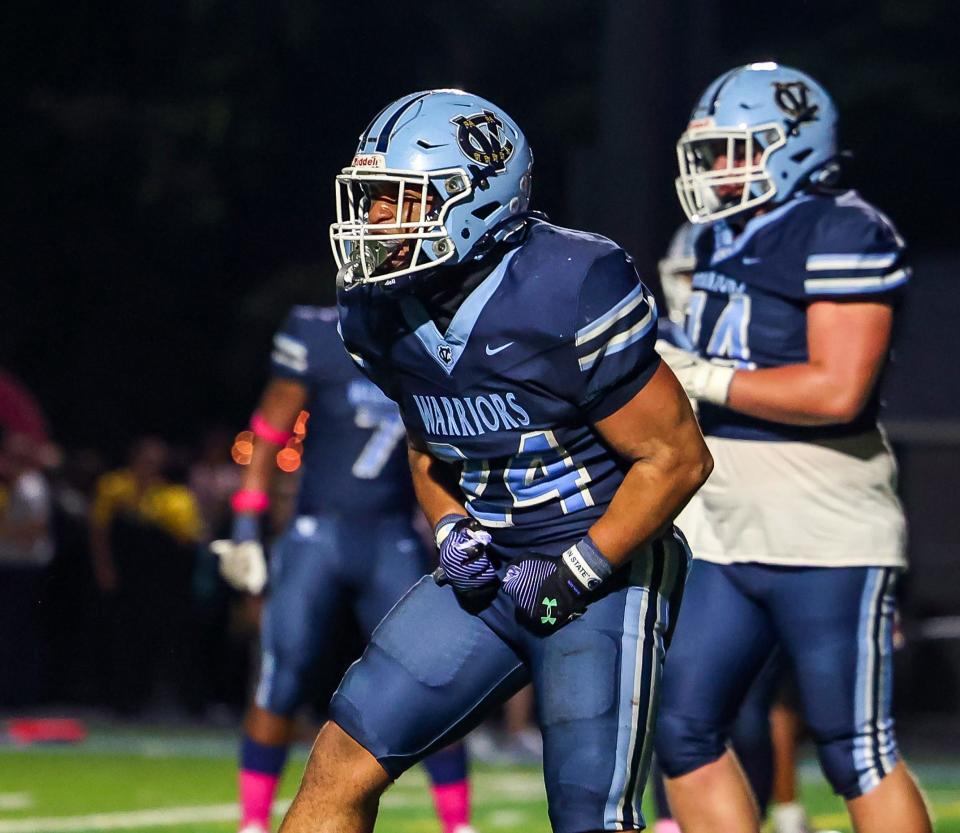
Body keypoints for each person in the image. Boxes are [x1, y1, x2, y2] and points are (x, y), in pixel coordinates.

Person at [279, 89, 712, 833]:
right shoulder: (374, 308)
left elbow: (675, 457)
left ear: (475, 199)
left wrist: (578, 570)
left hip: (603, 567)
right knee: (339, 761)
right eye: (373, 197)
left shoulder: (568, 283)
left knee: (590, 816)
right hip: (490, 570)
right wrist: (450, 527)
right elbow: (428, 441)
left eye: (397, 198)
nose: (375, 218)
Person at [652, 62, 932, 833]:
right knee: (681, 730)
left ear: (795, 147)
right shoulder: (719, 235)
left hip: (822, 523)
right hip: (723, 519)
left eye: (738, 150)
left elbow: (836, 390)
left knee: (855, 749)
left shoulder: (845, 228)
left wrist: (699, 374)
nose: (718, 169)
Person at [211, 305, 477, 833]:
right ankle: (252, 822)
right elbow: (269, 428)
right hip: (319, 534)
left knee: (435, 679)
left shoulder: (430, 337)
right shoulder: (315, 331)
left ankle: (457, 823)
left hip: (391, 536)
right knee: (280, 677)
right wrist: (246, 523)